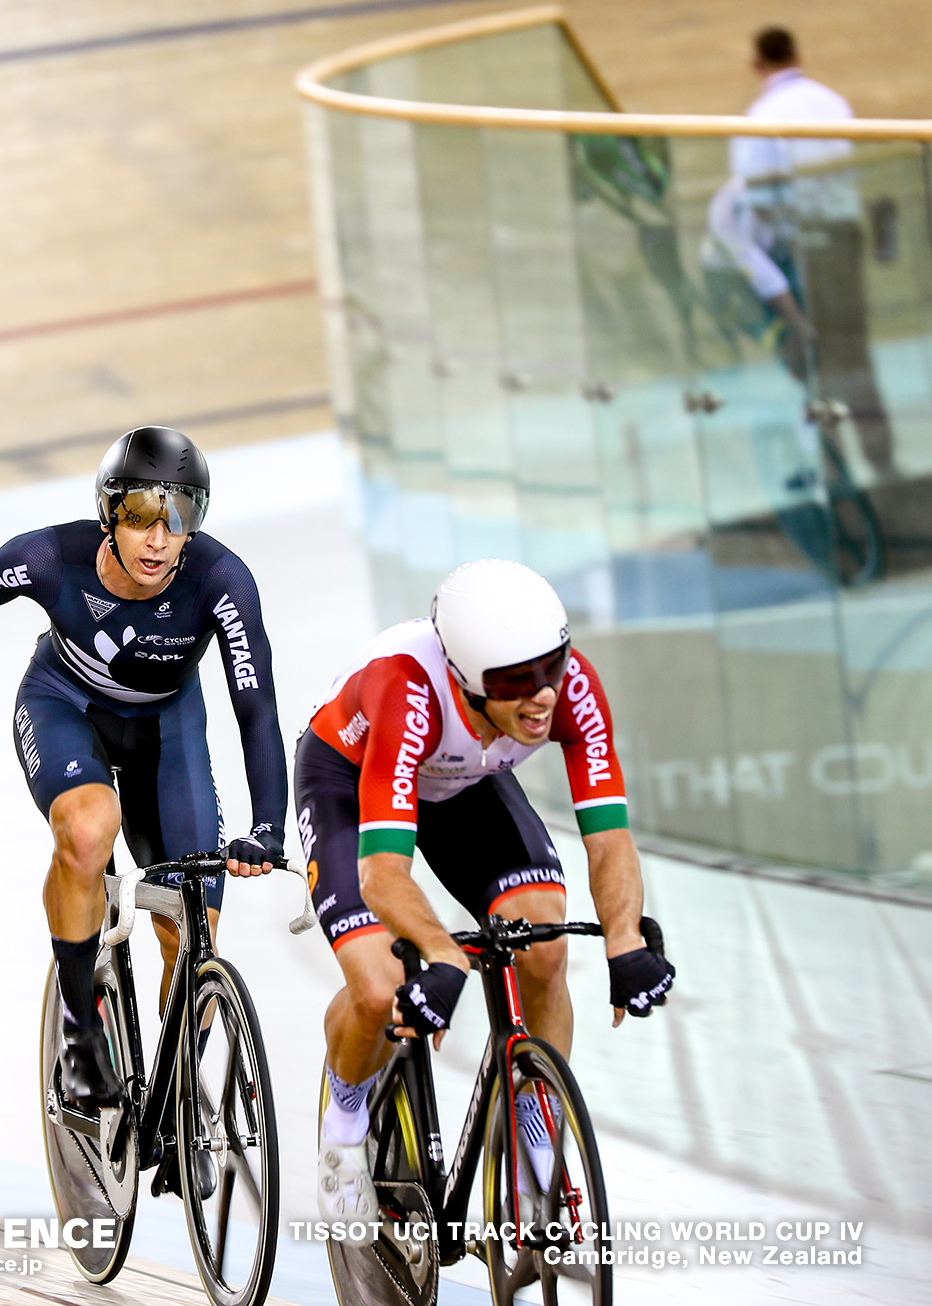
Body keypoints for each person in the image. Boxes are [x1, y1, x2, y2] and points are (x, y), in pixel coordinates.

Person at [0, 426, 285, 1119]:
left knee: (193, 936)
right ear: (108, 513)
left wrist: (269, 826)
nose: (159, 539)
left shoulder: (222, 581)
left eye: (179, 516)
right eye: (139, 517)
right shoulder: (46, 558)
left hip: (168, 730)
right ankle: (79, 1024)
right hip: (65, 706)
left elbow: (256, 707)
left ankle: (180, 1093)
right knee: (90, 830)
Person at [296, 559, 676, 1238]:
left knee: (543, 945)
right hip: (354, 785)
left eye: (551, 666)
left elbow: (610, 840)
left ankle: (536, 1117)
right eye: (512, 682)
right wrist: (441, 953)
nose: (540, 698)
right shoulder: (407, 687)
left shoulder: (572, 687)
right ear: (468, 681)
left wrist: (624, 939)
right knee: (383, 986)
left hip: (463, 786)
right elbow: (384, 873)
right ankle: (344, 1125)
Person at [719, 25, 895, 480]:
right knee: (854, 352)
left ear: (757, 66)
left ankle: (832, 469)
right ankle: (881, 457)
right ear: (797, 55)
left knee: (812, 357)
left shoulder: (760, 116)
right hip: (843, 238)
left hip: (801, 248)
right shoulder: (832, 101)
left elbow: (752, 198)